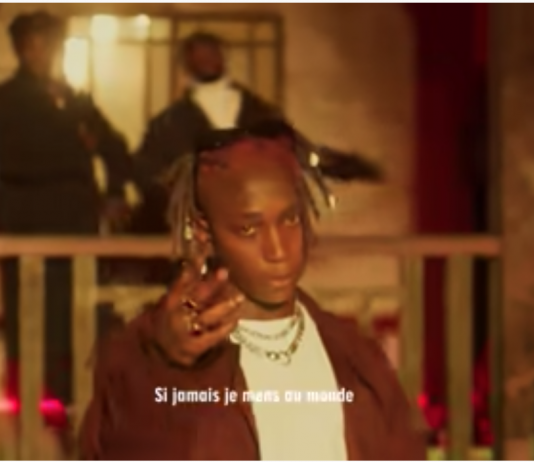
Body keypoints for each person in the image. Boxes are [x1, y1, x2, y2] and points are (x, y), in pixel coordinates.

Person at [79, 120, 425, 460]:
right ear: (203, 232)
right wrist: (165, 366)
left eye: (289, 219)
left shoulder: (355, 356)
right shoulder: (146, 354)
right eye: (249, 229)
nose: (278, 250)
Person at [0, 11, 132, 404]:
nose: (43, 52)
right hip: (23, 223)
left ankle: (77, 395)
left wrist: (115, 193)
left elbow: (115, 149)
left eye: (50, 43)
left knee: (77, 307)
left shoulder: (75, 100)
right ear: (21, 49)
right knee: (28, 310)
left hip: (76, 222)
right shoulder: (5, 100)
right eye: (34, 43)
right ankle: (33, 398)